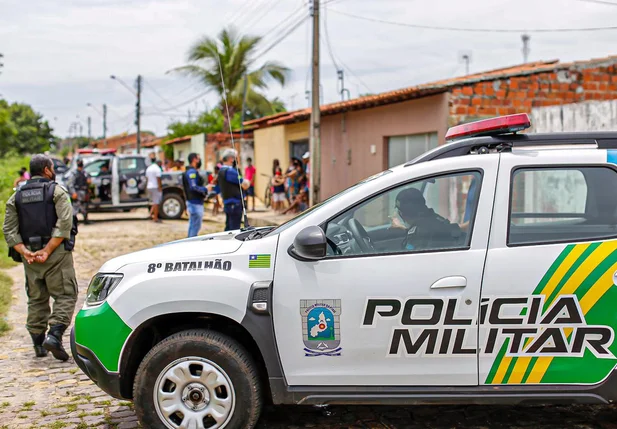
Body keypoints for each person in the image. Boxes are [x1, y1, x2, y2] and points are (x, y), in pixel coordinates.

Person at [2, 154, 78, 361]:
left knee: (36, 298)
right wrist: (48, 249)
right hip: (56, 254)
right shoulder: (57, 191)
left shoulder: (16, 195)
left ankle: (37, 343)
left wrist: (24, 251)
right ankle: (54, 335)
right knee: (65, 294)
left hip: (30, 257)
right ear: (46, 170)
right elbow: (65, 223)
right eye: (52, 168)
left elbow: (8, 229)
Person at [390, 187, 464, 251]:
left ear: (402, 214)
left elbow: (407, 260)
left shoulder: (417, 236)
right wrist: (405, 229)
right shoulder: (436, 219)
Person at [182, 153, 210, 237]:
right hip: (195, 202)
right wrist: (205, 189)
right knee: (195, 226)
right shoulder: (191, 172)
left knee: (193, 224)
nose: (200, 160)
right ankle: (191, 244)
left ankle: (189, 242)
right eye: (198, 158)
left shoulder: (191, 171)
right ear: (194, 159)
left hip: (194, 202)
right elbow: (193, 187)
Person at [218, 149, 245, 231]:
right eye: (236, 157)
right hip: (234, 203)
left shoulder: (221, 170)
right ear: (231, 159)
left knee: (229, 227)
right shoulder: (230, 171)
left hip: (228, 203)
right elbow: (241, 181)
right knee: (234, 230)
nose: (237, 160)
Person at [68, 160, 91, 224]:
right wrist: (73, 192)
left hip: (84, 192)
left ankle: (85, 220)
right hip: (77, 192)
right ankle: (73, 222)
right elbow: (70, 184)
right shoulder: (74, 173)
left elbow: (88, 181)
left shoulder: (84, 173)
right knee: (75, 207)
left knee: (84, 207)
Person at [146, 158, 163, 223]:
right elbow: (158, 178)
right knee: (156, 203)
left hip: (149, 186)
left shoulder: (149, 168)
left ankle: (150, 214)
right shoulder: (157, 169)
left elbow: (147, 178)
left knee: (154, 201)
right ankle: (155, 218)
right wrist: (160, 187)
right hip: (155, 186)